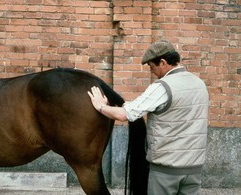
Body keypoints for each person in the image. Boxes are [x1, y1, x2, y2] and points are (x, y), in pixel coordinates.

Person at [87, 40, 209, 195]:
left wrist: (100, 106)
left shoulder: (162, 87)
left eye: (152, 67)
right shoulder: (199, 84)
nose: (152, 72)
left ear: (163, 62)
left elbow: (124, 115)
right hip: (194, 169)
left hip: (166, 171)